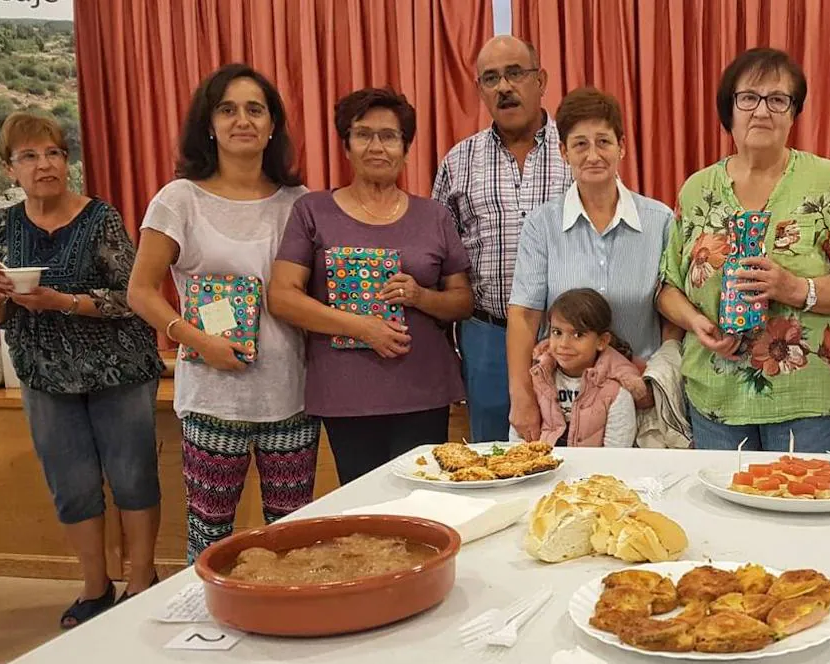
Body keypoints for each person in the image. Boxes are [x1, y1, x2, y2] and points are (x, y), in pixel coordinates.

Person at [128, 64, 317, 562]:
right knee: (209, 536)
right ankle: (208, 629)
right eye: (227, 109)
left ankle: (290, 630)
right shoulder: (179, 200)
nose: (242, 120)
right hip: (214, 400)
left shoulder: (300, 203)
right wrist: (198, 338)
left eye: (255, 109)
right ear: (208, 124)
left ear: (272, 124)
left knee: (293, 537)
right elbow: (141, 291)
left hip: (291, 395)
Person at [0, 112, 163, 626]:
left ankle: (141, 580)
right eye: (30, 156)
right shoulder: (0, 226)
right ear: (10, 170)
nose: (45, 165)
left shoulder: (100, 217)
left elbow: (133, 296)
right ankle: (93, 586)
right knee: (72, 483)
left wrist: (63, 301)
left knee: (132, 475)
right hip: (43, 374)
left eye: (54, 153)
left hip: (119, 369)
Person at [656, 47, 830, 452]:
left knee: (800, 510)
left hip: (805, 393)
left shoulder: (825, 180)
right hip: (715, 392)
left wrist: (795, 288)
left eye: (778, 99)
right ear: (730, 109)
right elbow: (668, 286)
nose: (762, 111)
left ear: (793, 113)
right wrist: (694, 323)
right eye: (749, 98)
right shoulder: (698, 188)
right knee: (724, 511)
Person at [270, 87, 472, 484]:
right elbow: (282, 296)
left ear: (405, 147)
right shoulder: (313, 211)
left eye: (389, 136)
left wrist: (420, 296)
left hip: (422, 388)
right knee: (362, 503)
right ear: (346, 145)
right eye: (363, 134)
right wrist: (362, 327)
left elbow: (462, 300)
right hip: (347, 392)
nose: (376, 146)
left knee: (423, 503)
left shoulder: (434, 216)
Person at [507, 86, 672, 441]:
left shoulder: (660, 221)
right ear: (564, 151)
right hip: (561, 403)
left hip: (640, 400)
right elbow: (524, 315)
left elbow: (672, 316)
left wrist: (660, 383)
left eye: (604, 141)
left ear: (622, 147)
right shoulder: (542, 225)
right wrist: (521, 396)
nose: (593, 155)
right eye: (580, 144)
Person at [433, 35, 573, 441]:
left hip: (566, 337)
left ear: (541, 79)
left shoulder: (578, 150)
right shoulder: (459, 162)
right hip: (487, 337)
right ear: (479, 90)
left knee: (576, 457)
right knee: (493, 459)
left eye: (515, 73)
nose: (504, 87)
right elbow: (440, 260)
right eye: (491, 78)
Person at [509, 288, 646, 447]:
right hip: (544, 467)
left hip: (594, 470)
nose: (563, 344)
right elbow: (520, 433)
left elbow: (616, 452)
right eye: (557, 332)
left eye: (578, 335)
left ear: (602, 341)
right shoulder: (538, 379)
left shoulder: (615, 392)